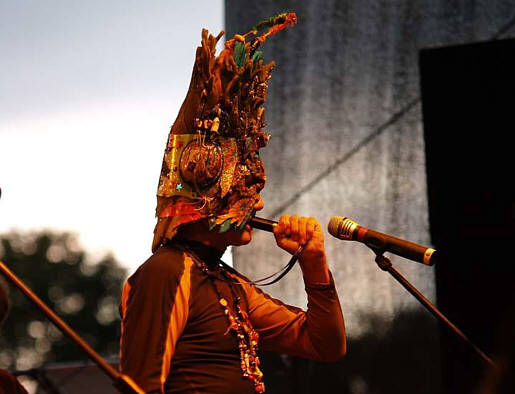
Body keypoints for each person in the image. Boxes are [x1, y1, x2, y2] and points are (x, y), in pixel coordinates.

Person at [119, 13, 346, 394]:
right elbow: (141, 388)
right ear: (200, 192)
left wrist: (314, 263)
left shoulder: (226, 282)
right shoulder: (167, 272)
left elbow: (324, 344)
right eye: (242, 186)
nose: (256, 202)